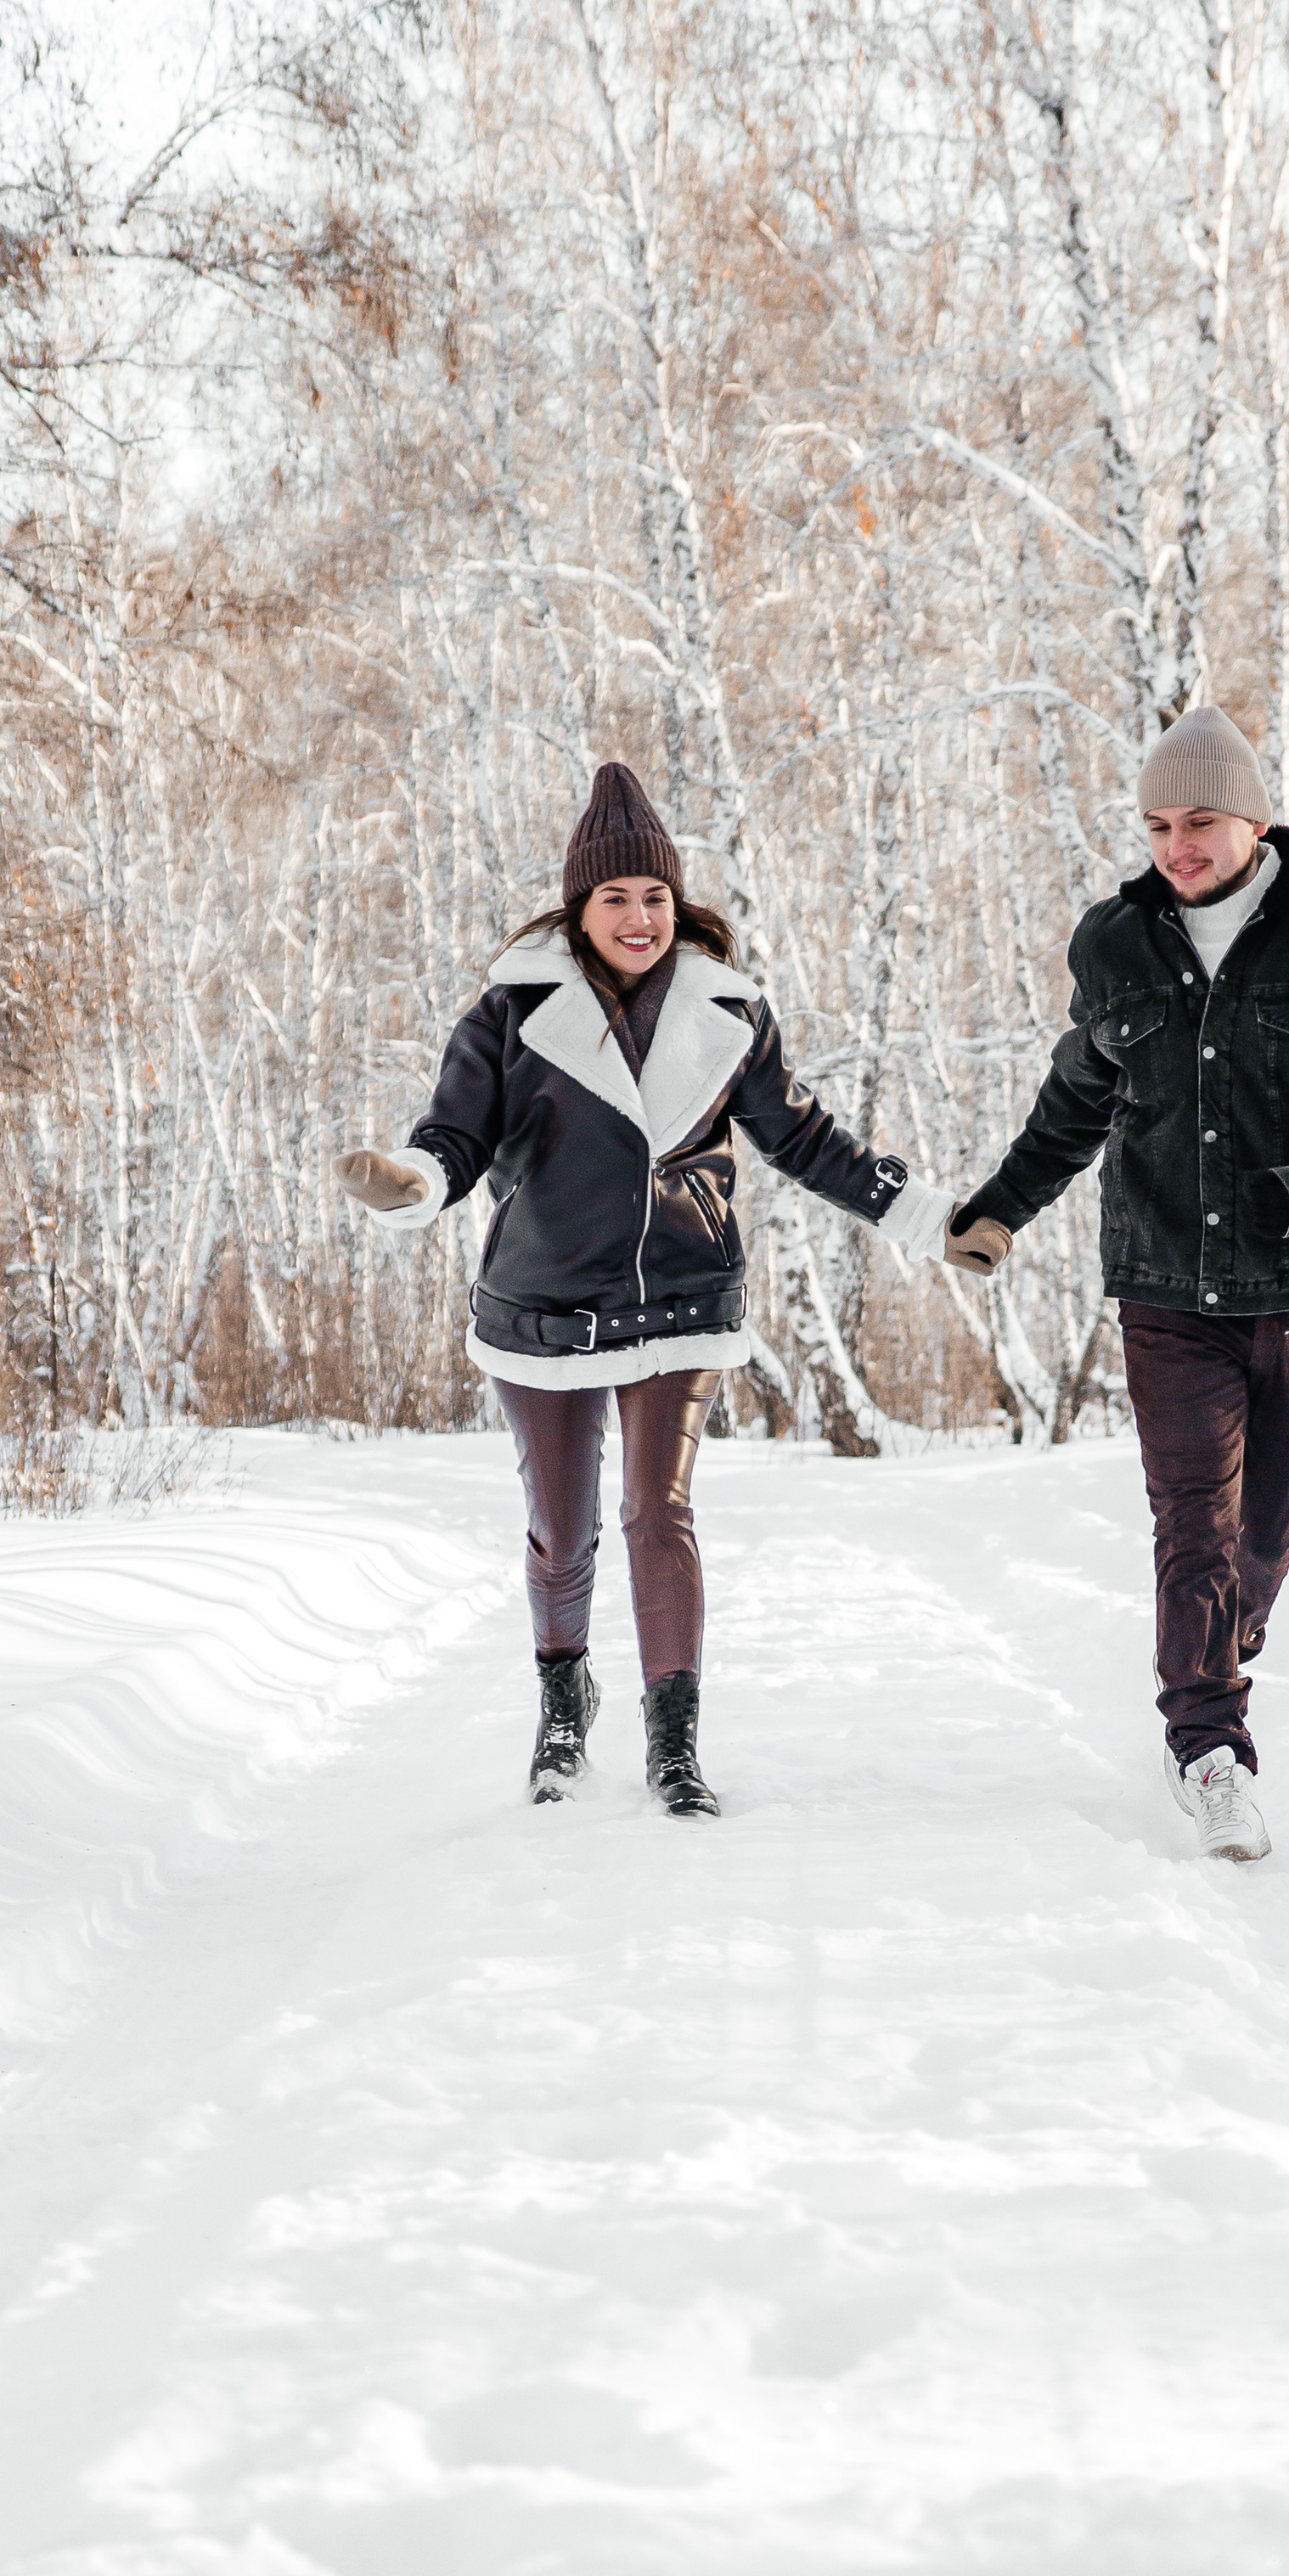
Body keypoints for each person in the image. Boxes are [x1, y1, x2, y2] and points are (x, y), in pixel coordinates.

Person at [338, 763, 1003, 1814]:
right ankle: (564, 1706)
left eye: (655, 896)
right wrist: (408, 1185)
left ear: (676, 904)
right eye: (616, 898)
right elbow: (453, 1138)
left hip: (682, 1298)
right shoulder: (511, 1012)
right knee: (562, 1529)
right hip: (542, 1303)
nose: (640, 917)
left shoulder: (727, 1010)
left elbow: (807, 1140)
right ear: (579, 908)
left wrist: (929, 1218)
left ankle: (674, 1743)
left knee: (661, 1511)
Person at [951, 706, 1289, 1864]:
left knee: (1268, 1529)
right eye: (1160, 823)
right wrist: (1000, 1211)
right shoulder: (1115, 943)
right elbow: (1078, 1097)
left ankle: (1224, 1647)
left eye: (1202, 822)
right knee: (1194, 1525)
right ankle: (1209, 1750)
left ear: (1254, 821)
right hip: (1166, 1284)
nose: (1178, 845)